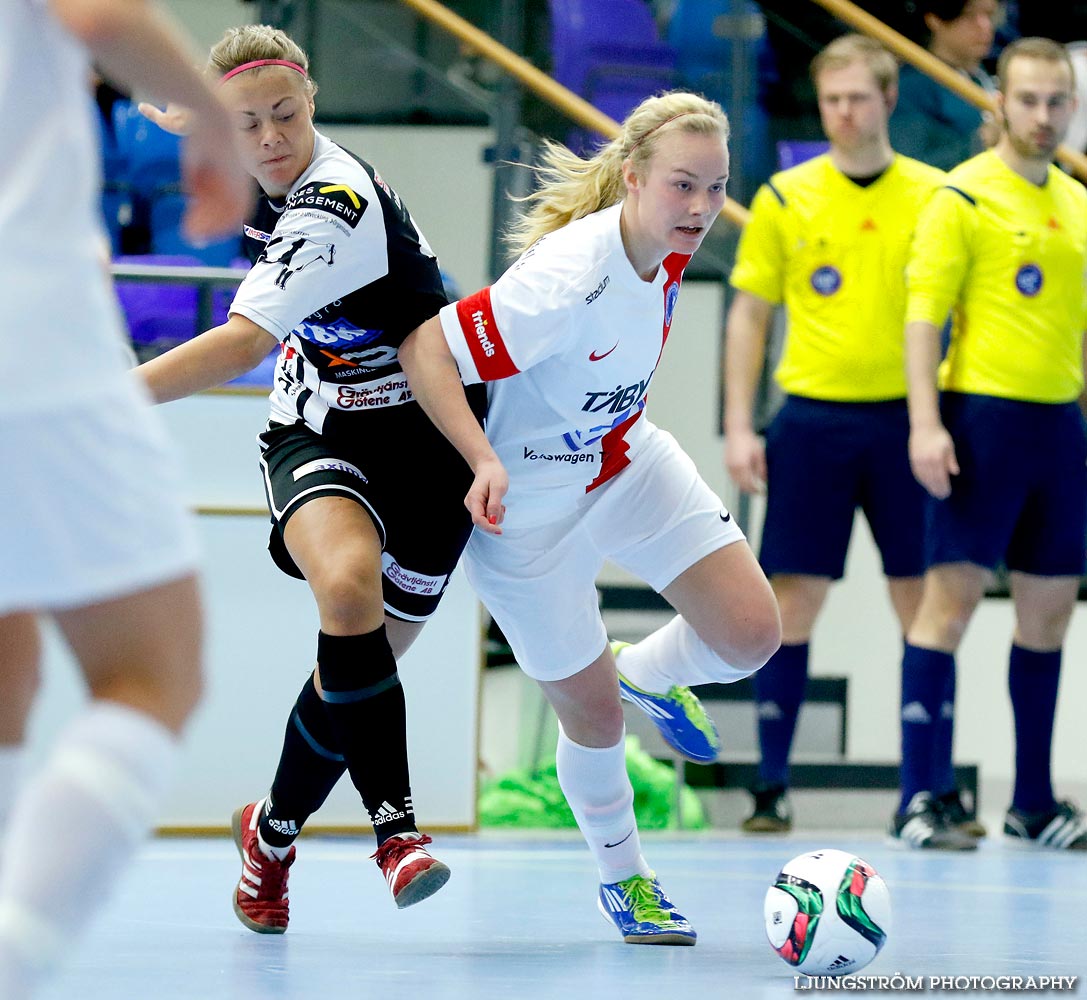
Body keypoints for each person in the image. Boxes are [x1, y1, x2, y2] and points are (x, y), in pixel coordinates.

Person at [399, 91, 781, 945]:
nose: (700, 207)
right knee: (596, 719)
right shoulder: (564, 279)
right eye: (682, 185)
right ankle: (626, 881)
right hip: (526, 519)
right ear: (635, 179)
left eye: (715, 187)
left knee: (751, 634)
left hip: (622, 459)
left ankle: (646, 667)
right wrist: (479, 457)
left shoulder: (671, 251)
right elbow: (428, 349)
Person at [136, 25, 486, 931]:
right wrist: (196, 112)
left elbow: (245, 340)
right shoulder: (247, 150)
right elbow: (221, 120)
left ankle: (271, 835)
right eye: (247, 126)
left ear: (315, 101)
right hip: (317, 422)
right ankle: (397, 836)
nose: (269, 141)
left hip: (428, 438)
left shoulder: (335, 201)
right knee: (345, 585)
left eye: (285, 116)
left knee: (352, 674)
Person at [0, 0, 249, 995]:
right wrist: (214, 121)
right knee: (153, 672)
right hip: (28, 327)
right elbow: (95, 9)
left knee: (7, 665)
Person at [722, 34, 978, 840]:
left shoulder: (937, 195)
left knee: (926, 603)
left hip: (908, 422)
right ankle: (769, 786)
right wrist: (737, 424)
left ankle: (927, 790)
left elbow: (963, 312)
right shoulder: (785, 196)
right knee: (790, 602)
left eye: (857, 98)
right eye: (830, 99)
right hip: (812, 420)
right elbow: (749, 316)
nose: (843, 112)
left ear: (887, 100)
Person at [899, 35, 1087, 851]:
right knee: (948, 610)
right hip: (979, 421)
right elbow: (922, 319)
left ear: (1072, 106)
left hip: (1057, 428)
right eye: (1028, 100)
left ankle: (1033, 803)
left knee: (1047, 618)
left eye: (1057, 102)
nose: (1042, 117)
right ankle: (919, 799)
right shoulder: (960, 196)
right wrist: (924, 422)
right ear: (998, 104)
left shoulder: (1078, 204)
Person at [889, 0, 1002, 171]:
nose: (985, 26)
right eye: (969, 15)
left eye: (989, 14)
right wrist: (982, 140)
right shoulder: (910, 88)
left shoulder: (985, 76)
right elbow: (913, 166)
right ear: (934, 19)